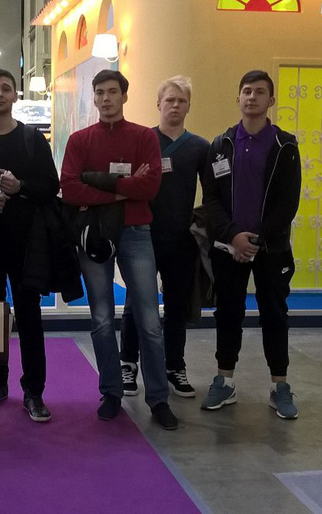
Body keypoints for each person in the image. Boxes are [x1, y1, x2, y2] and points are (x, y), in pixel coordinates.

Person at [60, 69, 179, 430]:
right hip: (94, 234)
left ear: (124, 96)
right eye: (100, 92)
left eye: (113, 92)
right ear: (94, 98)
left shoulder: (144, 137)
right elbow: (70, 188)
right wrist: (121, 190)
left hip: (136, 233)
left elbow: (150, 187)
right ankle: (111, 392)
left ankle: (158, 398)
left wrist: (97, 185)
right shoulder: (80, 140)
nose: (106, 98)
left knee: (149, 320)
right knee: (100, 319)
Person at [200, 70, 302, 420]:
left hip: (271, 249)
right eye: (246, 91)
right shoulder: (221, 145)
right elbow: (211, 198)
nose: (252, 97)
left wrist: (256, 239)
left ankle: (280, 386)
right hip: (229, 247)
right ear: (238, 98)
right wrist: (233, 236)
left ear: (271, 100)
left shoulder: (285, 145)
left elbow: (288, 203)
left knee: (274, 313)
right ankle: (224, 381)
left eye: (260, 92)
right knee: (228, 313)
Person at [0, 69, 61, 422]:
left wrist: (20, 186)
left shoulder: (32, 139)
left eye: (6, 89)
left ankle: (34, 391)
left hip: (27, 244)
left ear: (15, 96)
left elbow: (51, 186)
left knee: (29, 317)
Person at [118, 75, 209, 400]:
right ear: (158, 103)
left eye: (181, 101)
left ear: (189, 106)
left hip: (181, 240)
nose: (175, 106)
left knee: (176, 307)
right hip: (142, 236)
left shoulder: (199, 147)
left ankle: (174, 366)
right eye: (169, 100)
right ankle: (128, 363)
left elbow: (213, 195)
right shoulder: (143, 141)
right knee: (135, 304)